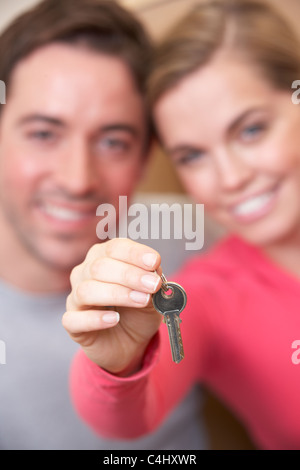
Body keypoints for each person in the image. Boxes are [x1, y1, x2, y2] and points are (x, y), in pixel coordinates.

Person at [63, 0, 300, 450]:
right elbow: (129, 419)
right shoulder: (206, 297)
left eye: (250, 130)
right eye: (192, 155)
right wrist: (118, 363)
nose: (231, 179)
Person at [0, 0, 207, 450]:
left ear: (143, 160)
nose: (77, 179)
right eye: (43, 133)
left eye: (114, 141)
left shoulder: (187, 236)